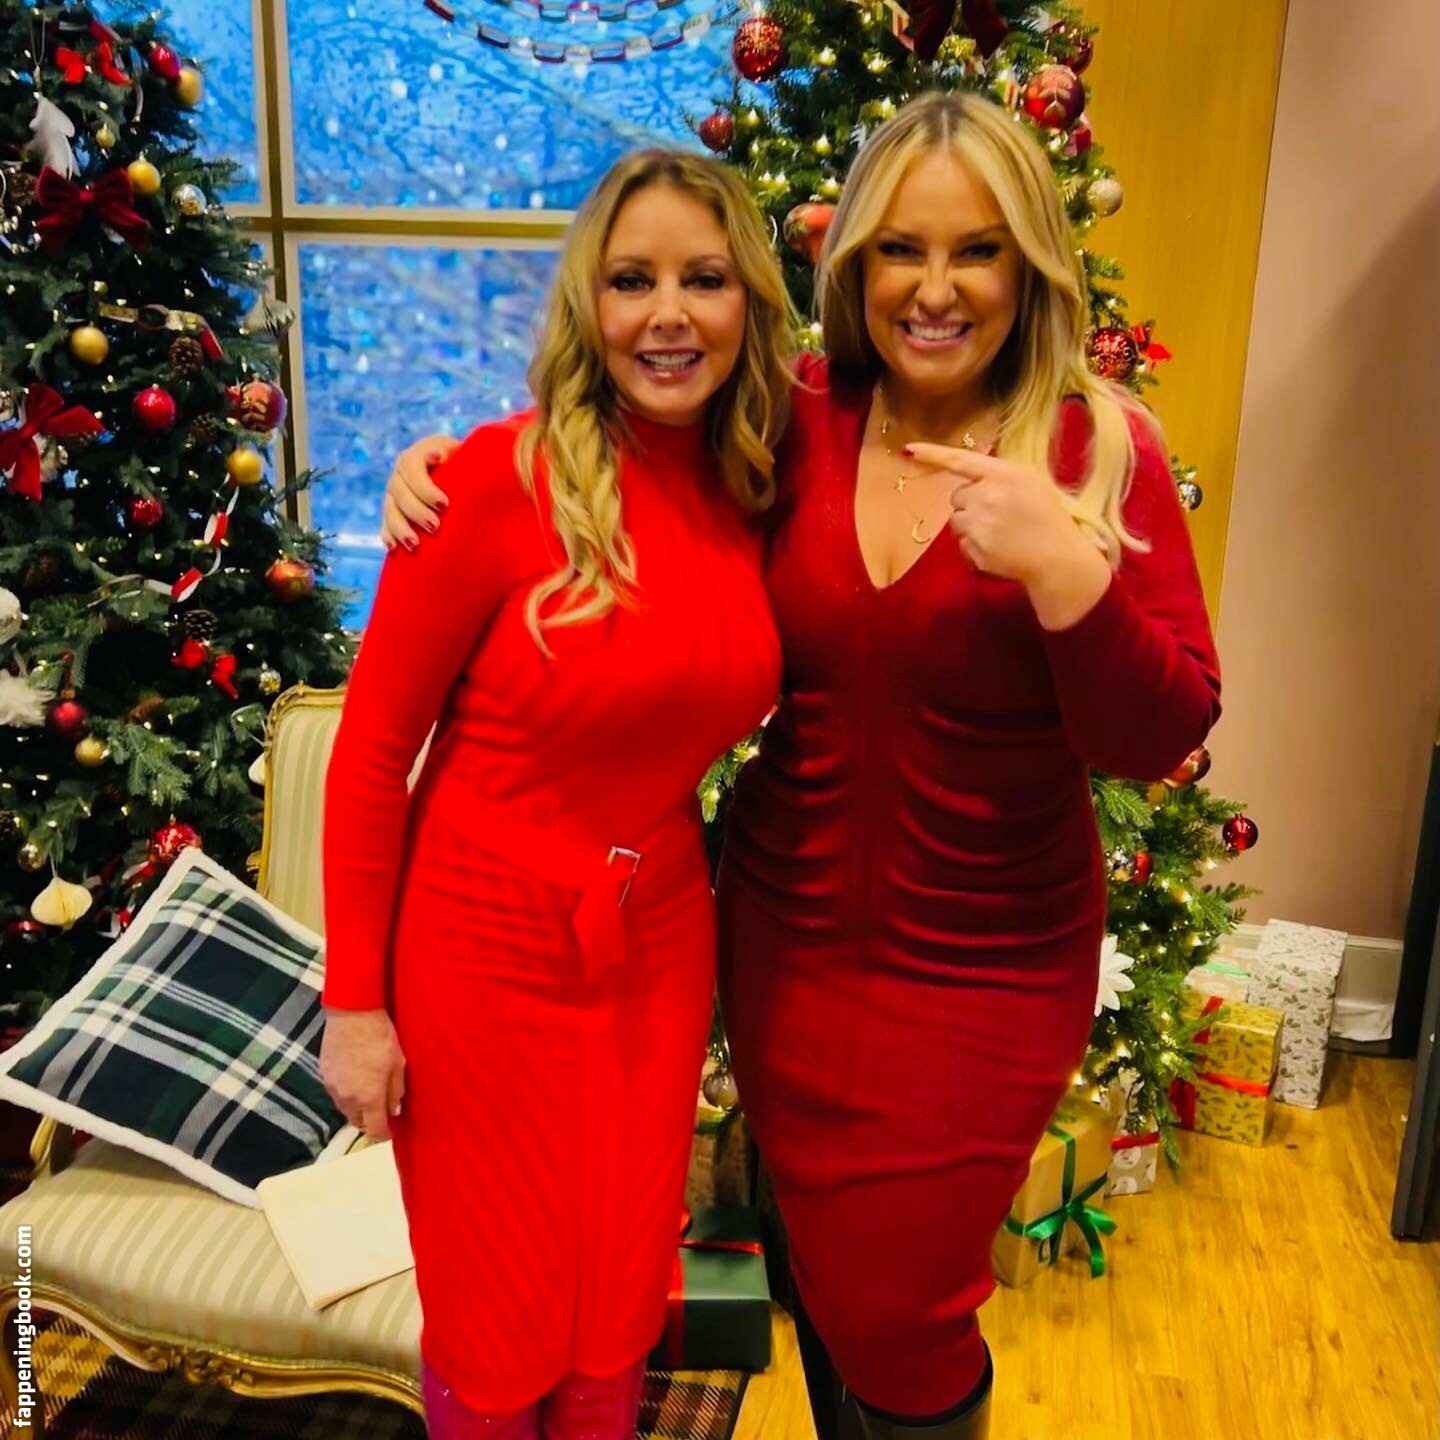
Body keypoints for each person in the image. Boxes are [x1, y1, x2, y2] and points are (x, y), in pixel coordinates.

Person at [382, 90, 1220, 1440]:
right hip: (787, 939)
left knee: (902, 1308)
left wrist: (1070, 577)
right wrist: (450, 467)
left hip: (989, 964)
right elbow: (628, 439)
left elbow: (1162, 731)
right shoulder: (801, 414)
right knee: (818, 1265)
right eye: (900, 250)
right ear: (854, 267)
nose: (934, 290)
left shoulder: (1097, 445)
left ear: (1030, 267)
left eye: (978, 250)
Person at [319, 147, 794, 1440]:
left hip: (656, 946)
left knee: (618, 1294)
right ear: (589, 302)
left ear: (749, 300)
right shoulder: (490, 481)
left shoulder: (760, 484)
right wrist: (354, 1006)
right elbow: (372, 753)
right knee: (497, 1308)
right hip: (480, 956)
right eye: (632, 280)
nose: (668, 314)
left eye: (705, 279)